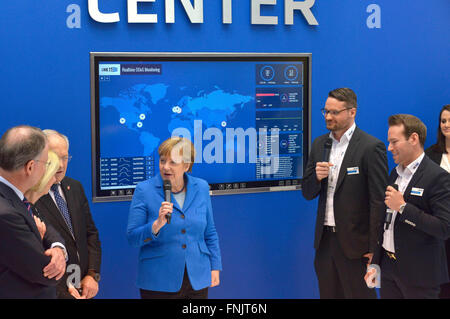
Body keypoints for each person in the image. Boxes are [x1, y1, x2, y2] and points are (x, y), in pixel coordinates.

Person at [302, 88, 388, 299]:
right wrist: (316, 178)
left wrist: (374, 246)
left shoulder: (370, 147)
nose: (328, 117)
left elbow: (378, 201)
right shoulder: (320, 143)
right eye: (326, 111)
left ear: (352, 112)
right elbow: (307, 192)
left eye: (335, 112)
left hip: (356, 246)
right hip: (325, 243)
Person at [127, 137, 222, 299]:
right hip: (158, 280)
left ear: (186, 165)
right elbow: (132, 238)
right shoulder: (144, 190)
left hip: (197, 277)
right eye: (162, 160)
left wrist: (215, 266)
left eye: (173, 162)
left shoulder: (201, 187)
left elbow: (210, 232)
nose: (165, 167)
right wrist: (156, 225)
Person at [367, 114, 450, 298]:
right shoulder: (394, 173)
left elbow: (444, 228)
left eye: (394, 142)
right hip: (389, 270)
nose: (389, 148)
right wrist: (376, 261)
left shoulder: (438, 177)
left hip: (420, 275)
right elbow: (386, 221)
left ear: (413, 139)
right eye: (389, 142)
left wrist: (404, 207)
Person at [0, 125, 67, 298]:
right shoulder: (6, 214)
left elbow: (46, 228)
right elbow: (44, 272)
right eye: (46, 163)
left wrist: (58, 248)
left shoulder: (16, 199)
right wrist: (42, 240)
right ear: (30, 167)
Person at [34, 130, 102, 299]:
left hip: (84, 287)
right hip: (54, 290)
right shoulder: (32, 194)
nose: (61, 165)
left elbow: (90, 234)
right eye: (55, 158)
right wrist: (65, 290)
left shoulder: (75, 187)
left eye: (65, 158)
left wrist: (93, 275)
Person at [425, 105, 450, 298]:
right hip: (439, 225)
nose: (446, 125)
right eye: (443, 121)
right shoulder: (431, 154)